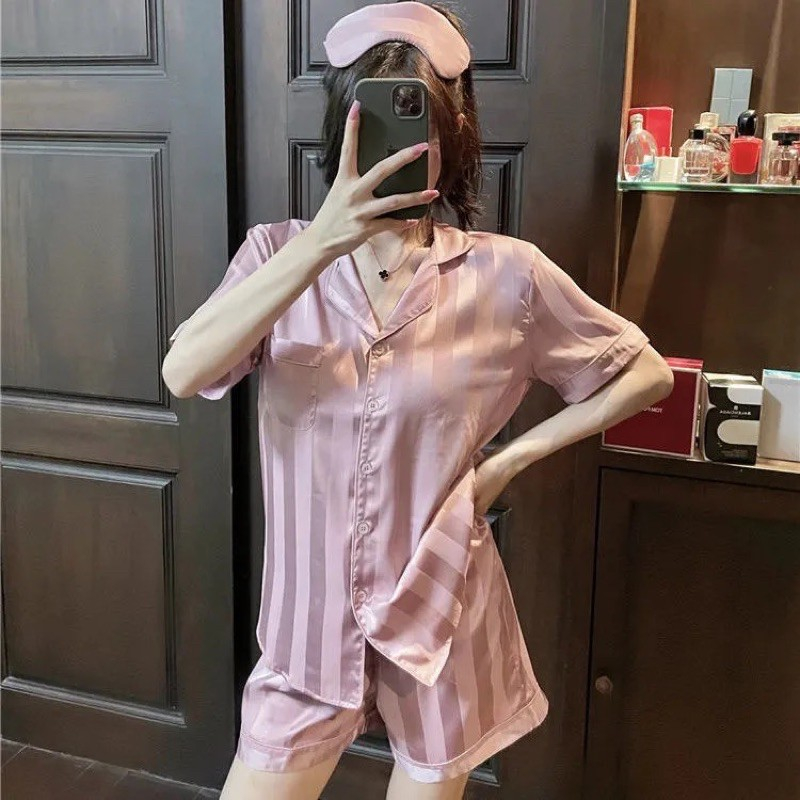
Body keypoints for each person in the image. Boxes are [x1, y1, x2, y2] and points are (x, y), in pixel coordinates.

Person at [162, 3, 674, 799]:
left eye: (422, 126)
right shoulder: (275, 256)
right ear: (343, 130)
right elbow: (184, 370)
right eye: (379, 123)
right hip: (308, 637)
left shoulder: (508, 277)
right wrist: (321, 243)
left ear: (453, 138)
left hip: (441, 618)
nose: (401, 149)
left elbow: (646, 373)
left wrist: (505, 465)